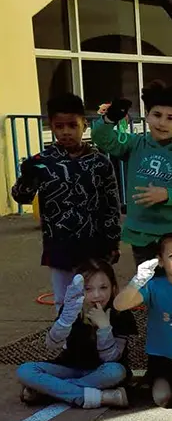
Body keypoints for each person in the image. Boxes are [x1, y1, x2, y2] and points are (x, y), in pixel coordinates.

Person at [11, 93, 121, 304]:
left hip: (95, 245)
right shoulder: (41, 162)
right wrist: (26, 176)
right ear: (51, 127)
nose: (66, 132)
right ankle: (68, 327)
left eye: (72, 125)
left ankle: (101, 327)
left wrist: (113, 242)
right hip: (59, 245)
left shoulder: (100, 163)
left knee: (98, 300)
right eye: (59, 126)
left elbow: (111, 205)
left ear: (84, 124)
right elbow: (22, 197)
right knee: (64, 302)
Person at [91, 81, 172, 263]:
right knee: (146, 280)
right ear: (147, 116)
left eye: (170, 118)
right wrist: (110, 119)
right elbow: (101, 137)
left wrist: (167, 195)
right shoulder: (134, 144)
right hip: (141, 235)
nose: (162, 123)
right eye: (157, 115)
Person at [16, 261, 135, 409]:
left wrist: (104, 328)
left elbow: (111, 359)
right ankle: (100, 397)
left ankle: (47, 391)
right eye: (88, 289)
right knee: (25, 370)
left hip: (102, 371)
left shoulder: (120, 313)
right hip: (70, 367)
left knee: (116, 372)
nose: (97, 295)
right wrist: (65, 321)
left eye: (103, 288)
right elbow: (52, 344)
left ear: (113, 287)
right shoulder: (72, 308)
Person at [112, 234, 172, 408]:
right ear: (161, 261)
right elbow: (119, 304)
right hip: (160, 358)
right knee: (163, 399)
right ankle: (158, 381)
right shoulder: (154, 285)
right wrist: (138, 280)